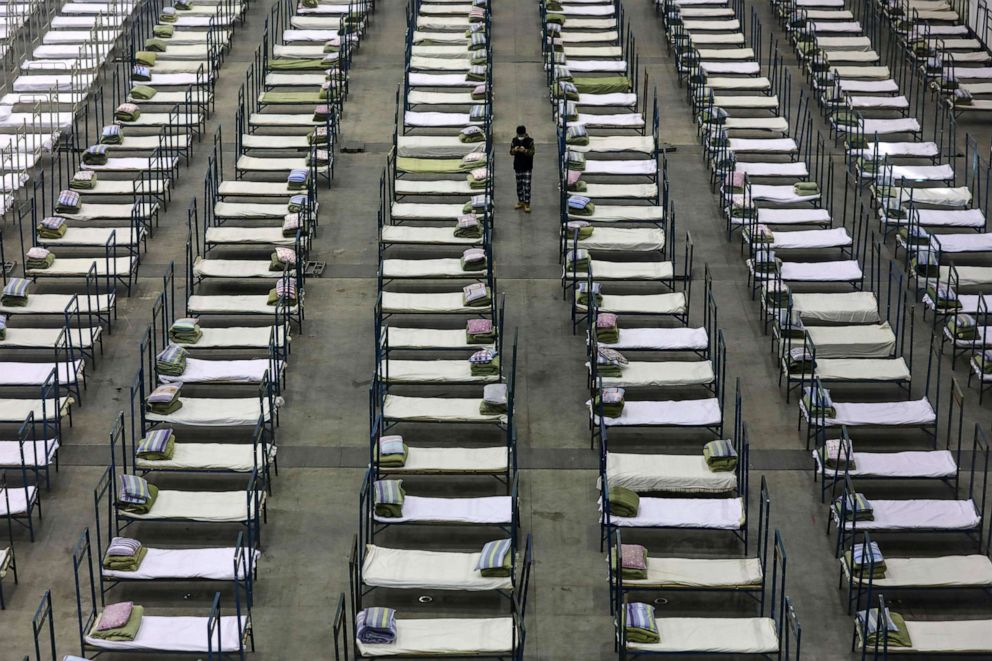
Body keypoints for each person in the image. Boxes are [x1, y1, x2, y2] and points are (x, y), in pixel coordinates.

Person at [510, 125, 535, 212]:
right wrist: (515, 150)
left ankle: (527, 203)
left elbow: (532, 152)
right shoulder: (514, 140)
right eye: (519, 135)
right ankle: (521, 201)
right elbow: (511, 152)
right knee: (519, 185)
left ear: (525, 133)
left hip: (527, 166)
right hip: (518, 166)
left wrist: (525, 151)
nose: (520, 137)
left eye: (521, 135)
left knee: (527, 186)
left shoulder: (530, 141)